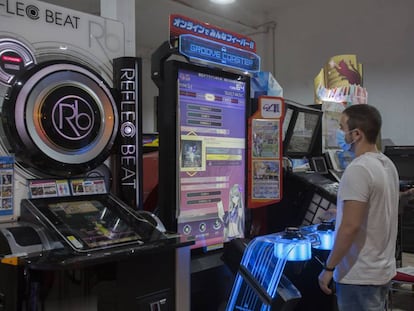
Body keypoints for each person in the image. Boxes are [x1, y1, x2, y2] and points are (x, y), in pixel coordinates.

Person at [318, 104, 400, 311]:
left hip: (358, 276)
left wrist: (329, 267)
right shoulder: (387, 164)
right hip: (381, 271)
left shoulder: (358, 169)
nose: (338, 132)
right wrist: (342, 212)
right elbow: (377, 208)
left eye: (341, 126)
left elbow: (350, 227)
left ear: (356, 134)